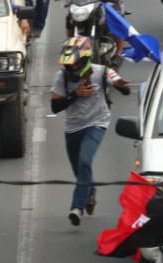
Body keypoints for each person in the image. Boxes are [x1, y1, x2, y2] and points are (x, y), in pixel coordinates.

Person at [50, 36, 130, 226]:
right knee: (80, 170)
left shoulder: (101, 72)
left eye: (75, 65)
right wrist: (74, 95)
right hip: (72, 127)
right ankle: (90, 190)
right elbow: (55, 106)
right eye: (69, 65)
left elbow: (122, 86)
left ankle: (77, 207)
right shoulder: (61, 76)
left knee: (85, 160)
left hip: (96, 123)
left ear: (85, 61)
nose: (72, 69)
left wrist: (120, 85)